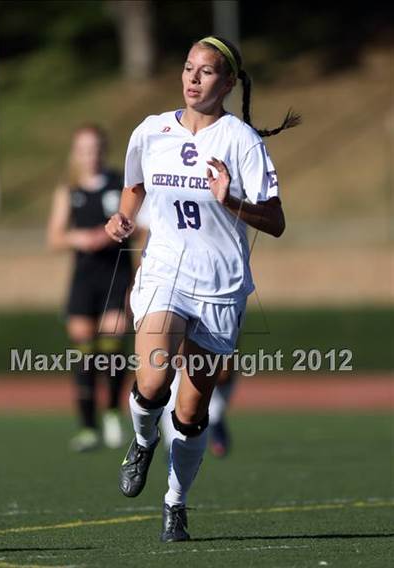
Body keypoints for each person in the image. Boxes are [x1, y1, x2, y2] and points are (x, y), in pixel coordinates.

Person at [105, 36, 299, 542]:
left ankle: (175, 501)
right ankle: (144, 441)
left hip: (219, 286)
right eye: (188, 68)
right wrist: (124, 219)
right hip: (164, 272)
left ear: (228, 83)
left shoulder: (241, 141)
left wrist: (231, 199)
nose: (193, 78)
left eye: (207, 71)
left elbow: (275, 221)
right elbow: (135, 186)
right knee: (152, 381)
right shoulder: (152, 131)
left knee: (191, 413)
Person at [47, 124, 134, 452]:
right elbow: (54, 237)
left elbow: (139, 226)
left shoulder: (119, 183)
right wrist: (79, 237)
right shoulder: (68, 189)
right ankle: (87, 427)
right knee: (84, 350)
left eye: (95, 148)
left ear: (104, 149)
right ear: (75, 153)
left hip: (116, 274)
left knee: (113, 340)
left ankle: (112, 411)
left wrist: (117, 232)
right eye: (83, 149)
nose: (90, 155)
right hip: (84, 278)